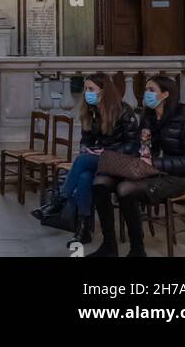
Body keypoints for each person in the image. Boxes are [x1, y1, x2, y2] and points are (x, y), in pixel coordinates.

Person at [87, 72, 185, 258]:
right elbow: (137, 146)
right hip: (145, 170)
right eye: (146, 90)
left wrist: (156, 162)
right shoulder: (148, 117)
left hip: (174, 177)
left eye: (151, 90)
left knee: (125, 189)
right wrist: (120, 154)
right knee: (100, 183)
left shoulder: (184, 121)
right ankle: (109, 245)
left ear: (165, 94)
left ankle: (137, 249)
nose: (146, 94)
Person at [31, 73, 137, 244]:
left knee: (82, 161)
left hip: (121, 162)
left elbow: (133, 145)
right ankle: (83, 229)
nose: (87, 92)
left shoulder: (123, 110)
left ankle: (59, 201)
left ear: (104, 91)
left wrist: (104, 152)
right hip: (100, 161)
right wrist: (87, 149)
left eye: (91, 89)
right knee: (84, 177)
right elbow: (85, 140)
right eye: (86, 89)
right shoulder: (91, 111)